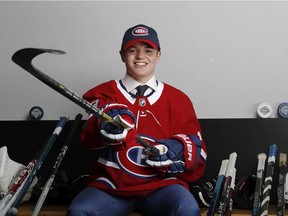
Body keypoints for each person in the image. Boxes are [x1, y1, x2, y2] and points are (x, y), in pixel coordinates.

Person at [67, 24, 207, 216]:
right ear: (122, 55)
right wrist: (104, 125)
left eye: (148, 50)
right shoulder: (104, 93)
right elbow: (88, 139)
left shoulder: (178, 99)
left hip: (161, 186)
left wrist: (179, 150)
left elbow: (198, 152)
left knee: (187, 209)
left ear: (159, 55)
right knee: (80, 210)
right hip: (111, 186)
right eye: (133, 50)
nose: (140, 56)